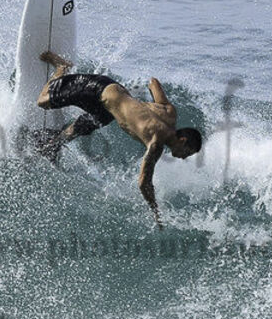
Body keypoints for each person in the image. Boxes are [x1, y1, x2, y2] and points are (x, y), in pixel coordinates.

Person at [37, 51, 202, 228]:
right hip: (97, 90)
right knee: (42, 102)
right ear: (183, 140)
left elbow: (153, 82)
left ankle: (53, 145)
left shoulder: (169, 112)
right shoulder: (156, 143)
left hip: (109, 106)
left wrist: (138, 106)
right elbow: (143, 183)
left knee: (76, 130)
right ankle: (62, 67)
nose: (184, 157)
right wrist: (156, 211)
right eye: (187, 153)